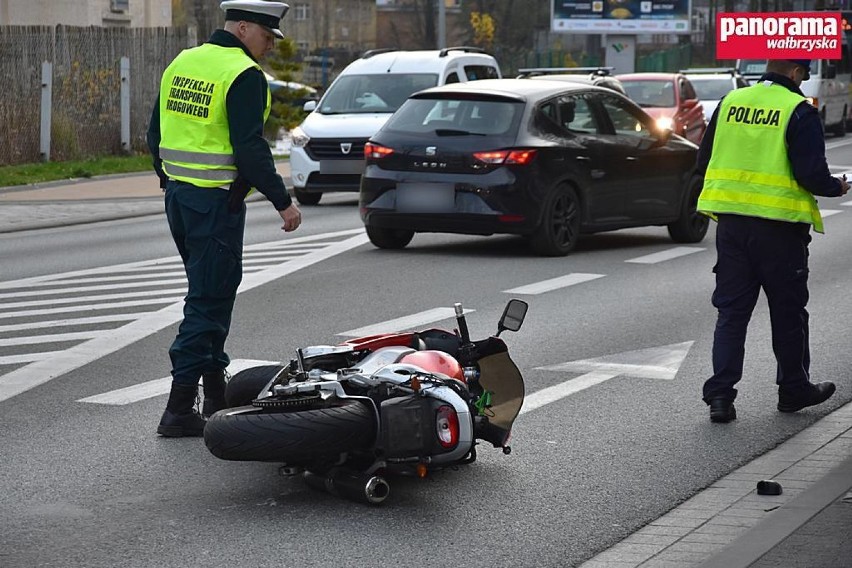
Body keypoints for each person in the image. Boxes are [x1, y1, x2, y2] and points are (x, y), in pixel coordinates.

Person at [146, 0, 302, 437]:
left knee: (211, 291)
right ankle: (178, 409)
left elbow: (154, 132)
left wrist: (170, 180)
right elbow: (250, 148)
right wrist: (282, 201)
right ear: (245, 28)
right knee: (208, 301)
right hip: (215, 204)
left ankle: (215, 393)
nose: (270, 47)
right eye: (268, 37)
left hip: (180, 199)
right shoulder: (243, 74)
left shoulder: (185, 61)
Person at [696, 58, 849, 423]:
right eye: (806, 74)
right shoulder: (798, 110)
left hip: (732, 228)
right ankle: (793, 390)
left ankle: (720, 397)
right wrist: (837, 186)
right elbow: (811, 174)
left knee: (731, 314)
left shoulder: (731, 102)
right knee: (788, 313)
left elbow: (704, 160)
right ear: (795, 72)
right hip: (779, 231)